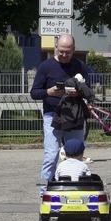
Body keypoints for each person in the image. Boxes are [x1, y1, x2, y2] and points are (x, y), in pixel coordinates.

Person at [30, 34, 90, 191]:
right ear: (56, 47)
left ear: (73, 50)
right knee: (51, 156)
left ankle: (76, 190)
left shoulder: (80, 66)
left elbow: (89, 91)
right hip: (52, 115)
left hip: (74, 115)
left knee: (76, 155)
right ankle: (45, 193)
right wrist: (49, 92)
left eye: (68, 52)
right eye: (61, 51)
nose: (64, 55)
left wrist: (78, 93)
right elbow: (34, 93)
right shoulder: (46, 66)